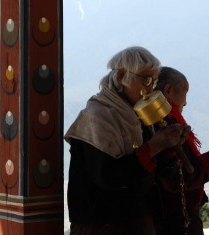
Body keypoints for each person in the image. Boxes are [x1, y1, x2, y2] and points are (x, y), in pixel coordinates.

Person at [64, 47, 190, 235]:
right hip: (101, 224)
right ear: (122, 75)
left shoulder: (138, 115)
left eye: (154, 82)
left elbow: (156, 172)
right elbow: (108, 177)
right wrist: (154, 145)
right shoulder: (96, 117)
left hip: (135, 219)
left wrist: (169, 146)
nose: (150, 89)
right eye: (146, 80)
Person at [152, 66, 209, 235]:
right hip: (177, 220)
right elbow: (177, 178)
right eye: (185, 92)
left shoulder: (166, 121)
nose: (186, 102)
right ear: (168, 90)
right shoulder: (166, 127)